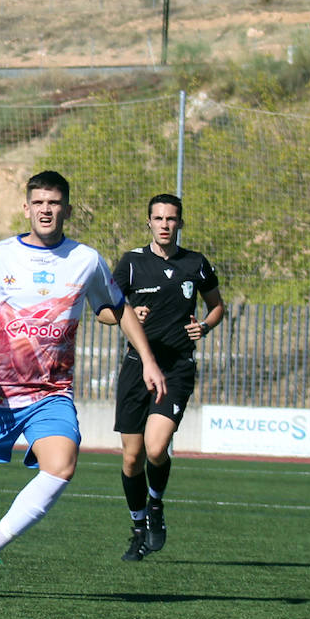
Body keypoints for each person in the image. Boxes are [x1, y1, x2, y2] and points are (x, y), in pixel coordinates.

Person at [0, 171, 166, 593]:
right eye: (39, 202)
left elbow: (117, 308)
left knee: (61, 466)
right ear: (26, 208)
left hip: (51, 393)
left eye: (54, 203)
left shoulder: (86, 260)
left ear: (67, 209)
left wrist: (148, 361)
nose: (46, 209)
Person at [111, 193, 223, 561]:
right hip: (135, 367)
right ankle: (137, 525)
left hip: (175, 369)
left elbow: (217, 305)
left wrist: (204, 326)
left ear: (180, 223)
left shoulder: (195, 263)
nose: (164, 224)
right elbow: (104, 313)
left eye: (171, 219)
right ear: (149, 222)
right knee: (132, 459)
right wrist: (128, 315)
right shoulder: (131, 263)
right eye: (158, 218)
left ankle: (156, 506)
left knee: (156, 448)